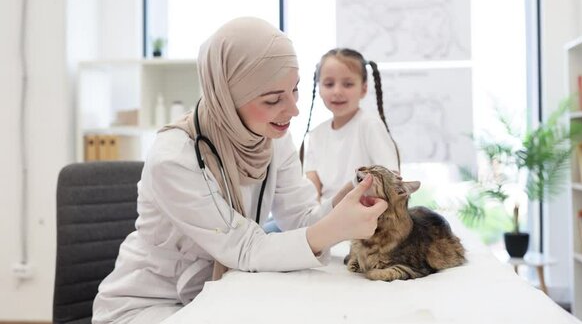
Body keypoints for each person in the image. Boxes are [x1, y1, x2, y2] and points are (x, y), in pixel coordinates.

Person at [92, 18, 388, 324]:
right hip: (151, 305)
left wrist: (337, 206)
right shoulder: (175, 158)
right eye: (274, 99)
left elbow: (299, 220)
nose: (293, 110)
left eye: (295, 90)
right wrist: (333, 229)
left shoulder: (272, 135)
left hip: (222, 294)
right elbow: (244, 247)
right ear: (228, 96)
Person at [302, 48, 400, 202]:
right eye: (329, 84)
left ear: (364, 89)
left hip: (364, 215)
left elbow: (392, 179)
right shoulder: (316, 134)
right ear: (319, 88)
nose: (337, 91)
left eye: (347, 84)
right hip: (326, 216)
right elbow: (311, 192)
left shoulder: (369, 125)